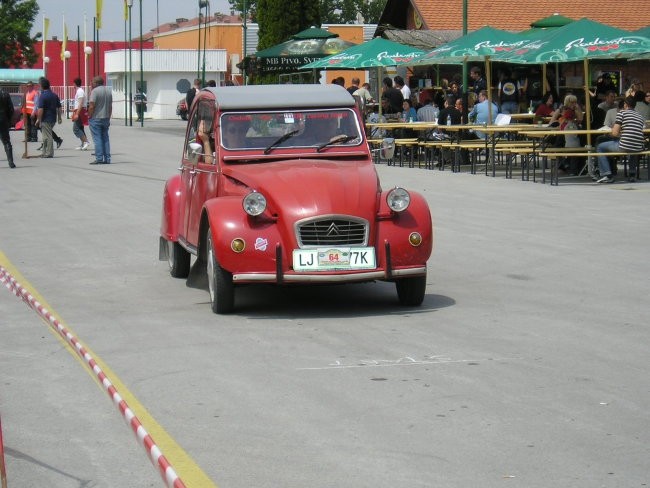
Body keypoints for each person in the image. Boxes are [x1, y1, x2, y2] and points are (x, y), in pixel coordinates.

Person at [596, 96, 646, 183]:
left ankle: (607, 175)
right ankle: (632, 174)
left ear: (625, 105)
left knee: (600, 147)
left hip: (624, 146)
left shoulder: (622, 113)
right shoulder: (640, 116)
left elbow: (615, 133)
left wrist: (608, 132)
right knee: (632, 147)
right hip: (639, 146)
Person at [34, 78, 62, 158]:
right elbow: (59, 107)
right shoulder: (54, 95)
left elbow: (40, 109)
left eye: (39, 85)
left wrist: (38, 119)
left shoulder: (43, 96)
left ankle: (49, 153)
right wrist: (59, 117)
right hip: (53, 118)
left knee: (47, 136)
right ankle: (45, 152)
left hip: (46, 118)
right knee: (45, 136)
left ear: (42, 86)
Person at [88, 75, 113, 165]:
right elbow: (110, 107)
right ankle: (107, 158)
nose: (91, 83)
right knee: (105, 138)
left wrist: (89, 116)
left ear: (96, 83)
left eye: (92, 82)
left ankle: (99, 158)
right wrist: (108, 117)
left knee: (97, 138)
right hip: (105, 117)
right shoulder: (108, 91)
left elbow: (91, 105)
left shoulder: (95, 91)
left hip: (96, 118)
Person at [72, 77, 90, 150]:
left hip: (80, 111)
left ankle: (86, 142)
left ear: (75, 84)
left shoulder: (80, 91)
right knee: (80, 128)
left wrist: (77, 113)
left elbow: (81, 102)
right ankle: (83, 143)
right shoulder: (79, 91)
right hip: (79, 110)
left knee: (76, 128)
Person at [0, 88, 16, 168]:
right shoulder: (5, 94)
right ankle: (11, 162)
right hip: (3, 119)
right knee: (6, 141)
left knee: (6, 141)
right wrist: (8, 119)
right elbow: (11, 109)